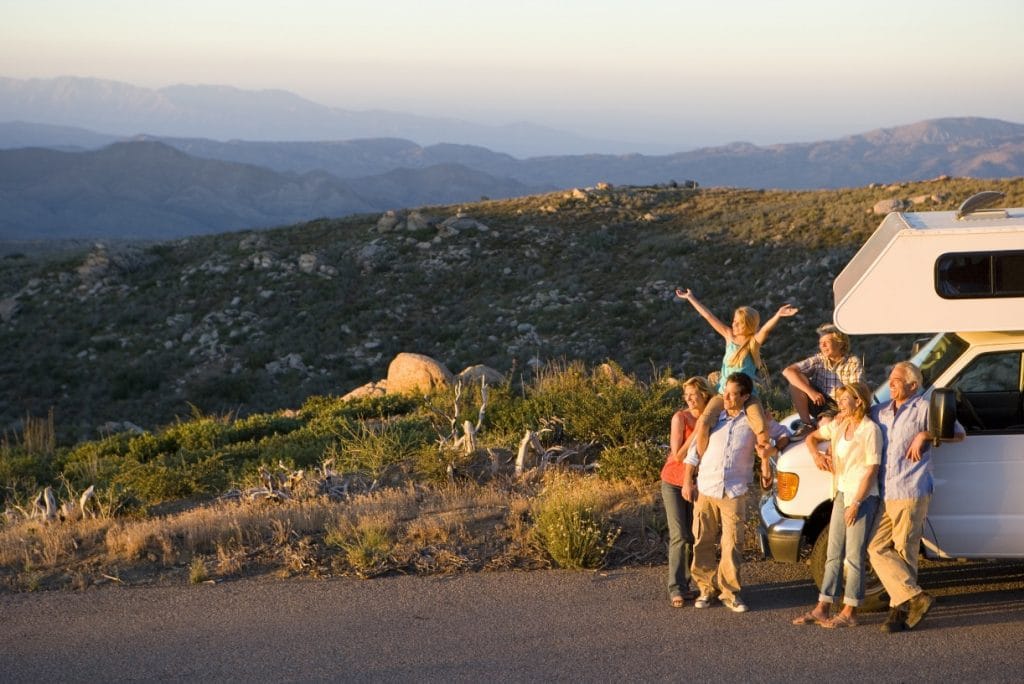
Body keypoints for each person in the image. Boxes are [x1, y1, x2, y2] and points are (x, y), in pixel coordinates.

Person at [869, 361, 965, 633]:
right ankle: (916, 597)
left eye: (897, 379)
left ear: (913, 385)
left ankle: (898, 613)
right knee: (875, 547)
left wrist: (925, 434)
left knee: (904, 550)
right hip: (886, 492)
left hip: (911, 490)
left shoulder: (924, 408)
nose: (891, 383)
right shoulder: (881, 411)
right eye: (890, 378)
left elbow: (959, 433)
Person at [682, 372, 789, 613]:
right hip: (707, 487)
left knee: (732, 543)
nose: (727, 398)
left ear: (745, 396)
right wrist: (688, 481)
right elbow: (693, 453)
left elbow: (783, 434)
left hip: (734, 490)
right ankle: (705, 589)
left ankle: (730, 592)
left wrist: (770, 451)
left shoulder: (754, 419)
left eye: (732, 394)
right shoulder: (713, 417)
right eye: (725, 393)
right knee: (703, 540)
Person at [790, 382, 880, 628]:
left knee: (854, 555)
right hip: (841, 493)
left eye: (844, 400)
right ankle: (823, 606)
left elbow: (872, 469)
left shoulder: (870, 430)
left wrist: (857, 502)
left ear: (859, 401)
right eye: (839, 400)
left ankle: (850, 611)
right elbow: (812, 438)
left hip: (862, 497)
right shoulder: (840, 425)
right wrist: (816, 454)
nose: (839, 404)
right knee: (833, 553)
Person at [675, 288, 798, 454]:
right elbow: (709, 316)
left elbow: (765, 331)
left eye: (739, 322)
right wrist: (690, 298)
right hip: (722, 392)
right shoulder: (729, 336)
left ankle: (765, 464)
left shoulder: (752, 343)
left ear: (748, 324)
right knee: (703, 423)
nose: (734, 325)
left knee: (760, 426)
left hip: (746, 394)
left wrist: (778, 315)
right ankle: (702, 460)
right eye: (734, 321)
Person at [660, 376, 714, 608]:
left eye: (694, 394)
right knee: (679, 535)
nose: (690, 399)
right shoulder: (680, 418)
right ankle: (676, 588)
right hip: (673, 481)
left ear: (705, 395)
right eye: (687, 395)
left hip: (700, 482)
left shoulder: (715, 416)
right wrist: (699, 427)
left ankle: (690, 584)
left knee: (695, 536)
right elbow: (679, 455)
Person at [782, 323, 865, 434]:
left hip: (839, 405)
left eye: (827, 342)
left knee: (825, 427)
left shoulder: (852, 362)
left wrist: (843, 412)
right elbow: (787, 371)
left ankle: (822, 423)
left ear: (840, 344)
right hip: (819, 400)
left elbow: (856, 392)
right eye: (821, 343)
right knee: (795, 382)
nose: (823, 346)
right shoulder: (820, 359)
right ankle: (807, 424)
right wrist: (810, 392)